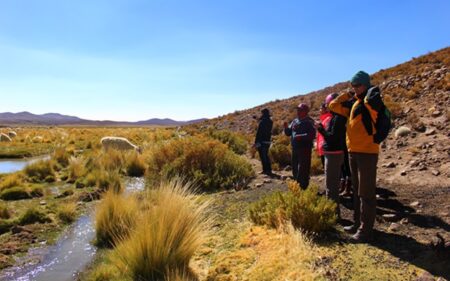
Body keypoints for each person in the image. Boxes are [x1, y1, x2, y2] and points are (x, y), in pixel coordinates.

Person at [329, 71, 380, 243]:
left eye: (357, 85)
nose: (354, 88)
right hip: (354, 151)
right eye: (353, 85)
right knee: (358, 192)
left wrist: (367, 96)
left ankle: (366, 231)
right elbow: (333, 106)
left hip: (367, 152)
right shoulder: (354, 104)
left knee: (366, 193)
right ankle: (358, 223)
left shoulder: (371, 101)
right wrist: (347, 94)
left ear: (366, 85)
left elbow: (376, 114)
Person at [316, 93, 347, 217]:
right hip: (333, 153)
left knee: (331, 186)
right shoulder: (336, 117)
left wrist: (321, 130)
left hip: (334, 153)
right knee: (331, 184)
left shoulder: (338, 118)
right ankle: (333, 212)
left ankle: (333, 214)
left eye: (329, 104)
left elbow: (332, 138)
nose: (328, 106)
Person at [284, 103, 316, 189]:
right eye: (297, 110)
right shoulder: (295, 121)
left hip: (305, 148)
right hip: (295, 148)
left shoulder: (309, 121)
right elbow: (288, 133)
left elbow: (312, 135)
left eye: (300, 110)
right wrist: (286, 128)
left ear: (306, 111)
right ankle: (296, 184)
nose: (298, 112)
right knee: (295, 166)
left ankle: (303, 186)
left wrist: (301, 137)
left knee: (304, 168)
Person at [254, 108, 273, 176]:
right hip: (267, 140)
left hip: (261, 141)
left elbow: (259, 133)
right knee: (266, 155)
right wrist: (258, 119)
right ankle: (268, 170)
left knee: (263, 156)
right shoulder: (270, 121)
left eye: (262, 113)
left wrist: (256, 142)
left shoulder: (262, 122)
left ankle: (266, 170)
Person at [317, 102, 331, 168]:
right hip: (322, 147)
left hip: (325, 147)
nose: (320, 110)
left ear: (326, 109)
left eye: (321, 108)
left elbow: (326, 133)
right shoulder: (323, 119)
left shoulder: (328, 119)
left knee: (328, 167)